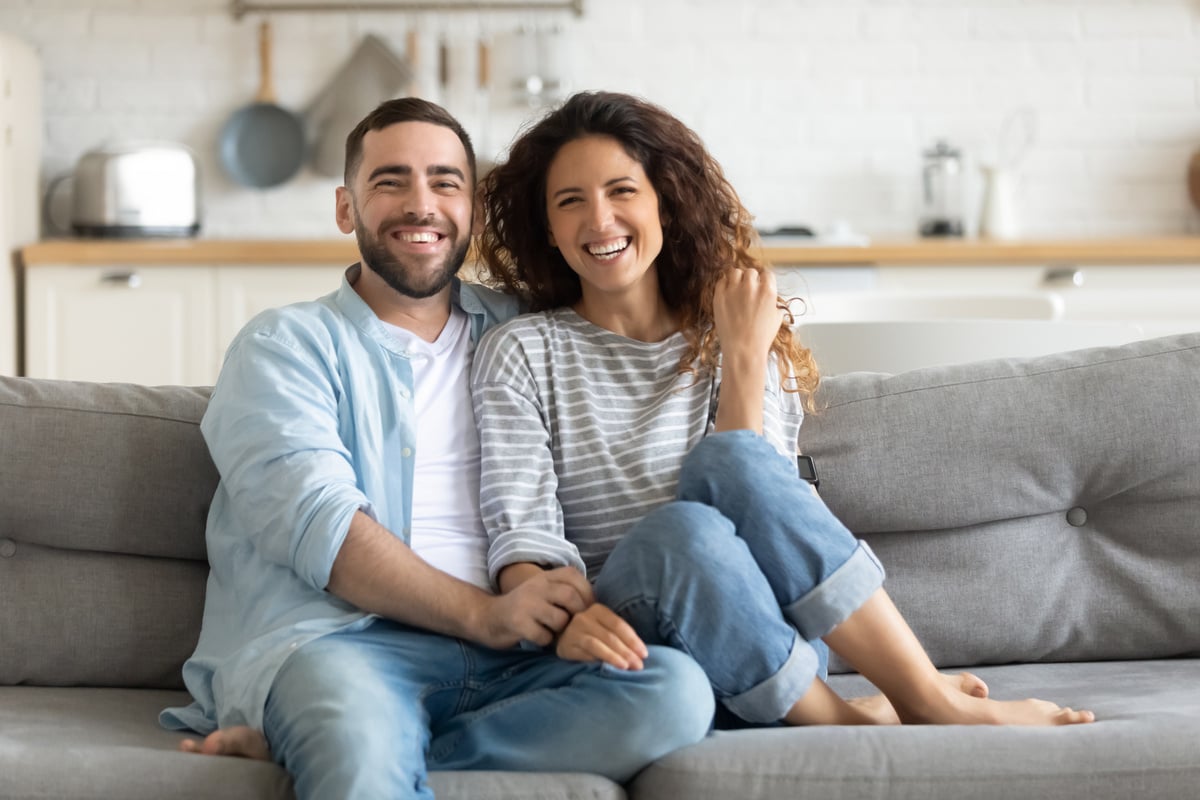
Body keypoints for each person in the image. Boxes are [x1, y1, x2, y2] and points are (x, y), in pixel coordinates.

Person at [472, 90, 1096, 728]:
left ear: (664, 198)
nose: (599, 220)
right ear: (548, 229)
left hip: (770, 635)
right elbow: (525, 537)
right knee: (679, 534)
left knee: (731, 473)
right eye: (570, 201)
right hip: (634, 637)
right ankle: (866, 720)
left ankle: (915, 700)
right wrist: (563, 619)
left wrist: (743, 353)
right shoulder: (520, 351)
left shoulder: (735, 328)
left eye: (622, 190)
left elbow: (755, 498)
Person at [158, 97, 714, 800]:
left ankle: (319, 746)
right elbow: (320, 529)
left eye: (445, 182)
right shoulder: (284, 347)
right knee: (357, 744)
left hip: (520, 653)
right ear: (344, 208)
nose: (421, 205)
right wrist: (486, 613)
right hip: (346, 646)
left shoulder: (530, 334)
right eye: (390, 181)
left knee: (676, 692)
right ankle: (343, 741)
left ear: (474, 210)